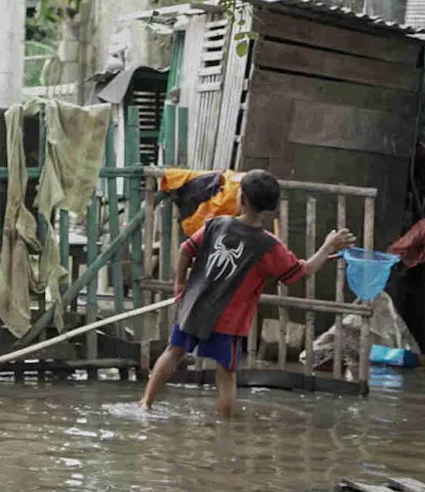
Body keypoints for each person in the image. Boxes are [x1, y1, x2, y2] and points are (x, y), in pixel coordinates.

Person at [138, 169, 355, 417]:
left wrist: (180, 285)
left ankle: (146, 403)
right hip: (229, 322)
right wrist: (327, 247)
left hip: (193, 307)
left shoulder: (215, 225)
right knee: (226, 374)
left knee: (173, 352)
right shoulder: (270, 246)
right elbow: (302, 272)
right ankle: (225, 429)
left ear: (241, 199)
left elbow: (185, 251)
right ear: (270, 207)